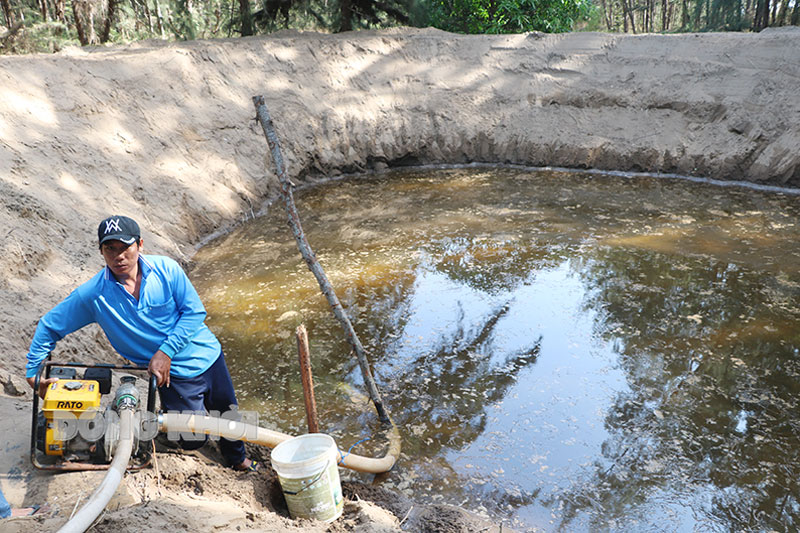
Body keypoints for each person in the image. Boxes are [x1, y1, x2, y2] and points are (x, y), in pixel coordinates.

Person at [25, 215, 258, 471]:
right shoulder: (94, 295)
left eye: (125, 247)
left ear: (140, 245)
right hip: (172, 377)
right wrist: (33, 375)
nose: (118, 256)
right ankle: (167, 428)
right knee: (192, 439)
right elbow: (49, 325)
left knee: (228, 411)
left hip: (209, 355)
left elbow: (195, 312)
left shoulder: (167, 270)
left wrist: (165, 351)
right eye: (109, 249)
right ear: (101, 251)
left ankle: (238, 459)